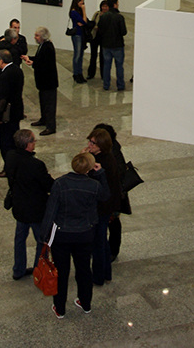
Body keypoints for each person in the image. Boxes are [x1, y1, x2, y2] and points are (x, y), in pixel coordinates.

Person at [41, 152, 109, 318]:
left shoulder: (60, 184)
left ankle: (60, 308)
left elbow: (50, 212)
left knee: (61, 272)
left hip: (62, 235)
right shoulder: (94, 185)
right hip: (85, 234)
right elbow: (106, 196)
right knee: (84, 270)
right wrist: (101, 173)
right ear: (89, 168)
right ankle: (85, 304)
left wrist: (44, 236)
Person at [4, 129, 54, 280]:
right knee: (41, 240)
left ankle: (18, 270)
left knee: (20, 238)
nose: (35, 143)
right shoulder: (36, 164)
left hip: (19, 206)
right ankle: (39, 270)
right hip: (36, 210)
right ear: (27, 144)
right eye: (33, 141)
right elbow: (49, 186)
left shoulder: (10, 156)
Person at [85, 128, 122, 286]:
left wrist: (83, 156)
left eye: (93, 143)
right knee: (102, 242)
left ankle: (98, 276)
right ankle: (106, 273)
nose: (89, 145)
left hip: (101, 209)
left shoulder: (102, 163)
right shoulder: (105, 157)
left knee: (98, 244)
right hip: (104, 207)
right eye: (90, 141)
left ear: (101, 145)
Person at [94, 123, 130, 263]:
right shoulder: (101, 150)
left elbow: (119, 172)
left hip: (113, 196)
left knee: (113, 223)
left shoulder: (112, 152)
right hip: (104, 195)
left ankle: (112, 250)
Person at [0, 49, 24, 178]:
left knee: (6, 143)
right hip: (16, 111)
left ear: (1, 60)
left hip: (8, 114)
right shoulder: (18, 70)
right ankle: (16, 166)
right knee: (14, 140)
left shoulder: (5, 75)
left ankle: (8, 168)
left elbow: (3, 98)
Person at [23, 27, 58, 135]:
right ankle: (44, 119)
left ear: (42, 36)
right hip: (43, 82)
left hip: (48, 82)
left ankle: (51, 126)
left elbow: (45, 65)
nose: (35, 37)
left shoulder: (47, 47)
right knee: (43, 102)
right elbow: (40, 59)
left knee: (49, 104)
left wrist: (33, 63)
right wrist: (29, 58)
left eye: (37, 35)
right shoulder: (43, 46)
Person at [97, 0, 127, 91]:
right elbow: (123, 32)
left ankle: (106, 85)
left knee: (106, 66)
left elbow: (100, 31)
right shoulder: (119, 17)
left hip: (106, 45)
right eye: (117, 3)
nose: (118, 5)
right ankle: (120, 85)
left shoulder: (103, 16)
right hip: (118, 45)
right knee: (119, 66)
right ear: (114, 5)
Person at [68, 0, 88, 84]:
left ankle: (79, 73)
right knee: (77, 55)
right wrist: (84, 11)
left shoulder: (78, 12)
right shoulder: (74, 12)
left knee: (80, 55)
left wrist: (83, 20)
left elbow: (84, 22)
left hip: (81, 35)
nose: (82, 4)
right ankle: (76, 74)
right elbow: (84, 21)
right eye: (81, 2)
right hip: (77, 35)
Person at [87, 1, 108, 80]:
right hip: (95, 37)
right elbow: (92, 23)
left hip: (104, 38)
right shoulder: (97, 14)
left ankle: (103, 74)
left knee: (103, 57)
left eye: (106, 6)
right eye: (103, 6)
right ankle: (91, 73)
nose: (104, 8)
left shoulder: (108, 15)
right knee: (93, 56)